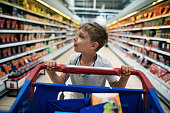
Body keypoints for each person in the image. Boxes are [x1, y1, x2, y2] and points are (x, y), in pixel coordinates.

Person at [44, 22, 134, 99]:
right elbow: (61, 82)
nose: (75, 38)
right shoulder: (73, 59)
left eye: (81, 36)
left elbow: (115, 88)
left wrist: (124, 78)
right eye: (77, 34)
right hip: (75, 102)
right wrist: (51, 72)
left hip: (95, 104)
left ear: (93, 46)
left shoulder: (104, 64)